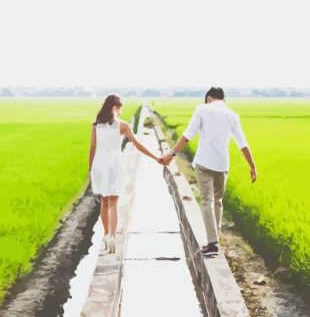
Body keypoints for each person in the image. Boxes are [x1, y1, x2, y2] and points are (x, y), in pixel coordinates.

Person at [161, 87, 257, 256]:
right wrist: (252, 166)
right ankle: (215, 238)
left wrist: (171, 154)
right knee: (218, 200)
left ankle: (212, 243)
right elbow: (242, 143)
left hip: (204, 163)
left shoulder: (202, 109)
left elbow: (187, 135)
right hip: (222, 165)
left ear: (209, 98)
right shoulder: (232, 115)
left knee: (207, 200)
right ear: (224, 100)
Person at [88, 94, 163, 254]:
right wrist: (156, 157)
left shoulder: (96, 126)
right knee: (113, 202)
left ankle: (107, 235)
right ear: (116, 107)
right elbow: (138, 144)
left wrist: (90, 169)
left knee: (104, 201)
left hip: (100, 165)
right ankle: (113, 237)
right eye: (120, 107)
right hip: (115, 164)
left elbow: (92, 148)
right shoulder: (122, 125)